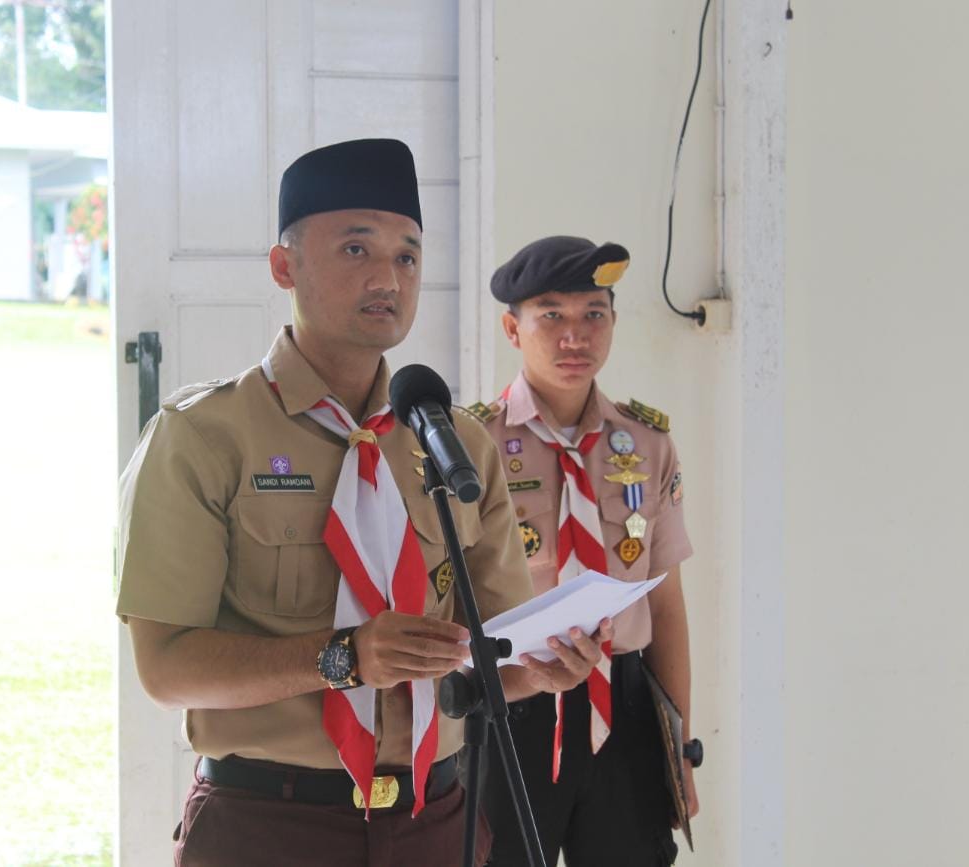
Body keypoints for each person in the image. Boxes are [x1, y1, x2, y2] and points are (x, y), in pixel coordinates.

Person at [115, 140, 613, 867]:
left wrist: (538, 667)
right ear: (285, 266)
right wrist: (344, 657)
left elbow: (489, 652)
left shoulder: (458, 446)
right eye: (356, 248)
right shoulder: (201, 437)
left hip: (435, 822)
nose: (388, 276)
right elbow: (166, 668)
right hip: (269, 827)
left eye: (408, 256)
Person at [473, 236, 699, 867]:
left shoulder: (646, 444)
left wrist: (677, 746)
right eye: (552, 316)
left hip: (623, 713)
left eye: (593, 315)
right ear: (512, 328)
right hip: (513, 708)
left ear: (613, 324)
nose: (575, 336)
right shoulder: (474, 444)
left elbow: (669, 608)